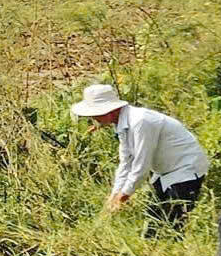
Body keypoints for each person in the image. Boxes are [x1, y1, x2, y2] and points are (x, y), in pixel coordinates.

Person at [71, 82, 210, 230]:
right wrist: (114, 194)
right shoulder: (122, 125)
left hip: (185, 170)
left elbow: (141, 165)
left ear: (110, 111)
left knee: (171, 227)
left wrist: (123, 196)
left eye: (96, 114)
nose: (94, 119)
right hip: (165, 174)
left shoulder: (141, 122)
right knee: (153, 227)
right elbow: (125, 162)